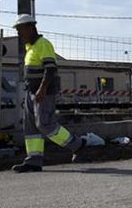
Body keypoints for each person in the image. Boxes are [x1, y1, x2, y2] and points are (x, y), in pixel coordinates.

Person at [11, 14, 86, 172]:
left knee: (44, 124)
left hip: (43, 93)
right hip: (31, 93)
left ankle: (77, 145)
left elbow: (51, 68)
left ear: (31, 28)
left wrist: (42, 89)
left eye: (20, 30)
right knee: (31, 128)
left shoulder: (43, 44)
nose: (19, 34)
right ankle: (34, 161)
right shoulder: (30, 48)